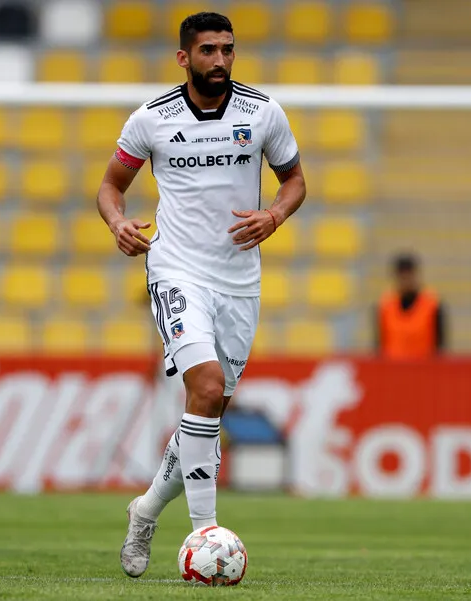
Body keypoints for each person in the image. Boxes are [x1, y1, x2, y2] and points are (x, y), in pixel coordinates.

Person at [95, 12, 306, 578]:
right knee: (206, 386)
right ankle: (204, 536)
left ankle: (143, 511)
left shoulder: (262, 112)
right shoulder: (152, 119)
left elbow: (295, 181)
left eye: (228, 50)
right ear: (184, 57)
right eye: (208, 50)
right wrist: (117, 223)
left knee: (209, 409)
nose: (220, 60)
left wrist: (275, 215)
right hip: (176, 269)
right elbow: (111, 186)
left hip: (239, 280)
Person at [376, 254, 446, 359]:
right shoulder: (385, 306)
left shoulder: (432, 305)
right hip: (393, 369)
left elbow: (440, 346)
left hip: (423, 369)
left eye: (409, 275)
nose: (405, 281)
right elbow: (380, 345)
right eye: (402, 276)